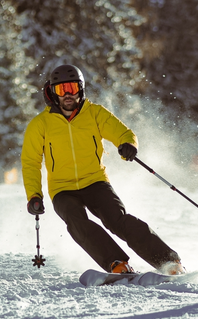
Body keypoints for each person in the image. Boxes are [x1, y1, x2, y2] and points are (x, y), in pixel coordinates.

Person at [21, 64, 185, 276]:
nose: (68, 94)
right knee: (77, 223)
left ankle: (168, 261)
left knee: (117, 219)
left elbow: (123, 133)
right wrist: (34, 194)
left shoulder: (95, 114)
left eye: (72, 87)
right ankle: (117, 264)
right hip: (62, 189)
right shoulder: (40, 124)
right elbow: (30, 162)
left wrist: (128, 144)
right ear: (53, 92)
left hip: (95, 181)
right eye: (62, 90)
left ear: (80, 88)